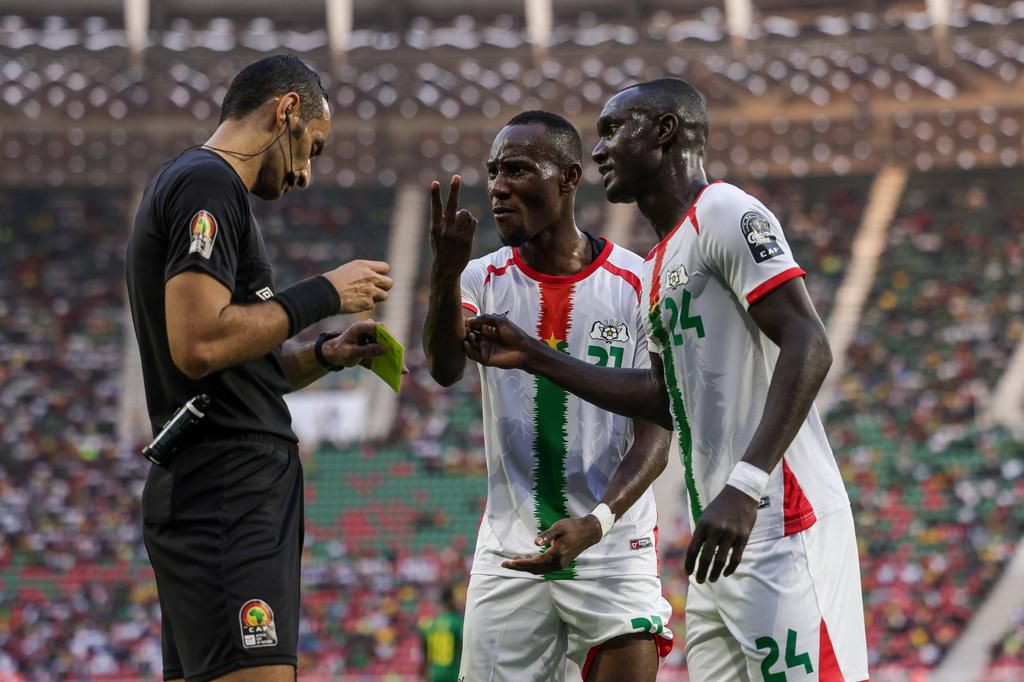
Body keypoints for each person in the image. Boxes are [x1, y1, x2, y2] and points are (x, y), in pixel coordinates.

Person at [464, 80, 869, 682]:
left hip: (781, 520)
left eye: (613, 130)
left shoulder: (725, 212)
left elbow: (810, 342)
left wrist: (746, 484)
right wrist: (535, 356)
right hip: (718, 542)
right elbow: (661, 399)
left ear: (664, 132)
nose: (600, 150)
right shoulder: (655, 267)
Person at [125, 54, 394, 682]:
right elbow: (199, 343)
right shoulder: (207, 183)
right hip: (226, 489)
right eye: (312, 149)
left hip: (220, 483)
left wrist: (325, 354)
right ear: (287, 112)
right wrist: (325, 292)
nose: (305, 173)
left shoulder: (203, 187)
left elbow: (235, 365)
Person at [423, 110, 674, 682]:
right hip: (510, 554)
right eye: (493, 172)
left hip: (612, 545)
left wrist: (598, 521)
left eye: (516, 170)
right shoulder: (479, 279)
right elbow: (443, 368)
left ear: (568, 177)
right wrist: (443, 273)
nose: (498, 187)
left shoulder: (637, 283)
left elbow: (657, 431)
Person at [419, 585, 465, 682]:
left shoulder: (431, 625)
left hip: (435, 674)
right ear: (450, 600)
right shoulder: (458, 623)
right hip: (453, 674)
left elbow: (425, 655)